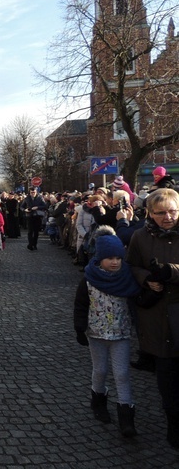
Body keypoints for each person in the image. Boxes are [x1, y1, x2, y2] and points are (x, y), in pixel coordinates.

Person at [74, 226, 140, 437]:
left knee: (121, 373)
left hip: (121, 334)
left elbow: (138, 301)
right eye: (110, 258)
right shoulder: (89, 279)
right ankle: (98, 401)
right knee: (100, 369)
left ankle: (126, 415)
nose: (115, 262)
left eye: (118, 258)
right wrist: (79, 327)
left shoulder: (126, 278)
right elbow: (81, 305)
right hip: (97, 333)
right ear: (99, 257)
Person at [126, 188, 179, 449]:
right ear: (150, 213)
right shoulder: (139, 236)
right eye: (160, 213)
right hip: (158, 314)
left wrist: (172, 272)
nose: (168, 217)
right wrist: (146, 278)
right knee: (166, 374)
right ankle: (173, 423)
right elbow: (131, 265)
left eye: (172, 211)